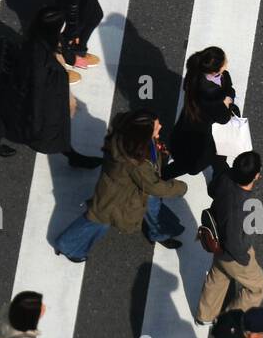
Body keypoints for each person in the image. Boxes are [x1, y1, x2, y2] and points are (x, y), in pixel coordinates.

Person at [52, 110, 186, 264]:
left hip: (124, 189)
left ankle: (161, 232)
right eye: (156, 127)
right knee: (99, 220)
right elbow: (153, 186)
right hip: (118, 196)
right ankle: (68, 245)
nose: (160, 127)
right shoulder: (136, 162)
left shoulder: (128, 138)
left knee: (151, 206)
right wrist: (180, 187)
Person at [0, 6, 97, 166]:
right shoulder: (39, 57)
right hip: (38, 97)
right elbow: (36, 92)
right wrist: (35, 122)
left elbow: (59, 45)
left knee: (8, 116)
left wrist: (71, 58)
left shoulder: (40, 36)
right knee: (49, 128)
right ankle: (71, 155)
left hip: (40, 91)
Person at [196, 151, 263, 324]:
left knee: (219, 276)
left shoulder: (225, 177)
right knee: (258, 287)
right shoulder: (245, 207)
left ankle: (204, 316)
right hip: (232, 253)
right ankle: (229, 320)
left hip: (216, 237)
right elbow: (236, 245)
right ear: (256, 176)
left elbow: (212, 190)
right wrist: (245, 258)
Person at [163, 46, 239, 181]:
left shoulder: (196, 74)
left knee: (214, 155)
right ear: (216, 70)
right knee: (192, 162)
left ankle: (219, 170)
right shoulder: (211, 97)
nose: (227, 62)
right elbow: (223, 118)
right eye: (224, 61)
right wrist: (227, 100)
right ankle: (160, 177)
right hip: (199, 139)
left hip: (188, 124)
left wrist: (226, 98)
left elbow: (228, 88)